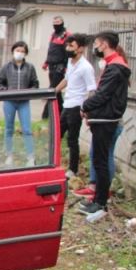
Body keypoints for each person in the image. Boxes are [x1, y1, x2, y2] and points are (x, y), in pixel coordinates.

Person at [78, 31, 131, 220]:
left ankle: (100, 202)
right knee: (99, 160)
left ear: (105, 44)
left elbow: (103, 95)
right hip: (103, 119)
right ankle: (98, 199)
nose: (96, 48)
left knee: (101, 162)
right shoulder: (113, 66)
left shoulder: (116, 67)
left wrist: (85, 106)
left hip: (106, 121)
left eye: (98, 44)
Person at [55, 34, 96, 178]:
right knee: (57, 135)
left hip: (77, 106)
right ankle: (53, 163)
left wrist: (86, 109)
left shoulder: (86, 67)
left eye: (71, 46)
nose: (68, 48)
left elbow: (92, 89)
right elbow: (66, 79)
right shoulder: (70, 62)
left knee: (72, 139)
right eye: (67, 45)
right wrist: (53, 91)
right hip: (67, 104)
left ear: (81, 49)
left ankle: (73, 169)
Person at [0, 41, 39, 167]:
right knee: (9, 129)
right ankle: (9, 155)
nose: (19, 53)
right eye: (17, 50)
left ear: (25, 53)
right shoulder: (6, 67)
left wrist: (28, 92)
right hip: (9, 101)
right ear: (13, 51)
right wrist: (7, 92)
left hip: (24, 102)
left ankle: (30, 157)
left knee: (27, 129)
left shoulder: (30, 67)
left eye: (22, 51)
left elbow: (35, 84)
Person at [42, 16, 70, 119]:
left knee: (52, 90)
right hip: (51, 66)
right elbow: (51, 50)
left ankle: (45, 115)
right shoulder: (53, 35)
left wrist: (66, 67)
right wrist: (46, 62)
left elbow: (67, 52)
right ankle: (62, 114)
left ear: (62, 23)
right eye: (54, 22)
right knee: (57, 94)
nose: (56, 24)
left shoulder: (66, 35)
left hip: (60, 67)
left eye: (58, 22)